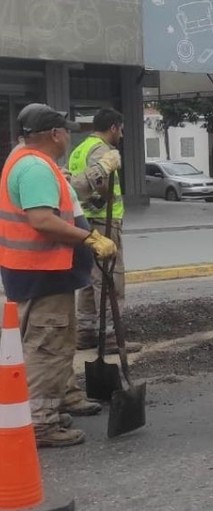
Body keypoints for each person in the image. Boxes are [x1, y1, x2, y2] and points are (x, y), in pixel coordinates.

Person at [0, 103, 118, 447]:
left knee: (41, 345)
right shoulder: (35, 167)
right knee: (48, 348)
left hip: (34, 272)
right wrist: (90, 237)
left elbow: (64, 195)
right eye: (65, 130)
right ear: (55, 134)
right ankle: (40, 425)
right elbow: (43, 220)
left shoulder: (26, 159)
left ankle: (45, 409)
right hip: (44, 271)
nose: (68, 135)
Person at [68, 108, 141, 353]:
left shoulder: (80, 148)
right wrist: (106, 196)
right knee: (111, 279)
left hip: (84, 221)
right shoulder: (103, 150)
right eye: (120, 129)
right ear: (113, 127)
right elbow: (100, 181)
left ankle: (86, 333)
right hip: (103, 223)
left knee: (90, 279)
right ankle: (111, 336)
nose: (121, 134)